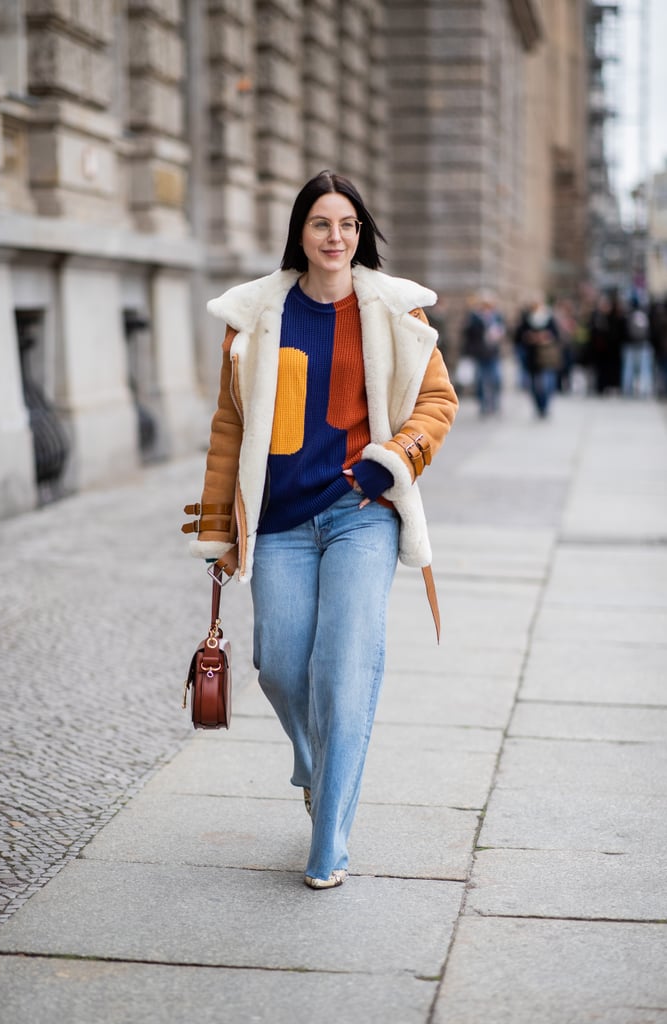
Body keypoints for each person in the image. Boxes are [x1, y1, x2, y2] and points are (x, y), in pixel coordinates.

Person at [184, 170, 458, 890]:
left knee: (344, 669)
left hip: (358, 515)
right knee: (277, 662)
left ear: (360, 234)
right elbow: (229, 427)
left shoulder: (395, 313)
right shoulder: (255, 318)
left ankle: (329, 837)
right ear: (299, 234)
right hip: (277, 519)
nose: (335, 237)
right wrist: (218, 529)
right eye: (321, 225)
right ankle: (313, 760)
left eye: (347, 225)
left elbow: (435, 402)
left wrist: (390, 463)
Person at [514, 296, 561, 418]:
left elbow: (556, 335)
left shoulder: (549, 318)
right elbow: (518, 337)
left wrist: (545, 337)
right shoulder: (526, 319)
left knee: (546, 384)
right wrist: (529, 337)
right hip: (532, 357)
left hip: (546, 358)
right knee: (534, 385)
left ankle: (545, 406)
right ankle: (539, 407)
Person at [461, 290, 506, 415]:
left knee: (496, 378)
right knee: (480, 380)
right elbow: (467, 333)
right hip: (479, 353)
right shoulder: (474, 316)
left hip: (493, 353)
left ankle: (495, 402)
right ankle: (483, 404)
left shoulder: (497, 316)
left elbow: (504, 330)